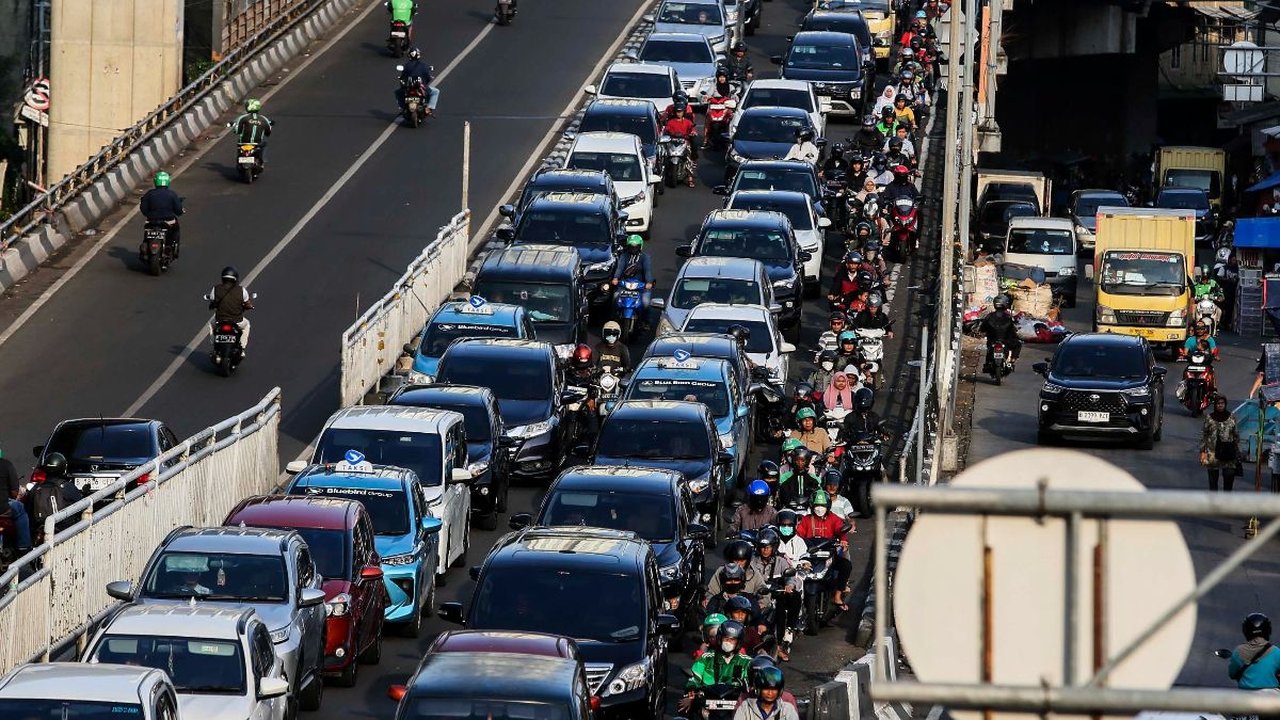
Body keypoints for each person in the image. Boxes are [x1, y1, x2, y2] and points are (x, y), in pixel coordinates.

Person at [796, 490, 853, 620]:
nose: (819, 509)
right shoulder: (805, 520)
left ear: (828, 506)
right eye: (817, 506)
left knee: (846, 566)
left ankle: (837, 595)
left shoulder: (833, 518)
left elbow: (841, 530)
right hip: (810, 554)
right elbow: (799, 534)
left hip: (829, 553)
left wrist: (843, 540)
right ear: (812, 506)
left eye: (822, 506)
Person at [751, 528, 800, 659]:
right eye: (762, 547)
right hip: (758, 595)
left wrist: (789, 585)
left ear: (774, 547)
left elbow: (790, 576)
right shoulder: (752, 562)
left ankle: (787, 631)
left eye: (768, 547)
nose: (765, 550)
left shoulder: (781, 561)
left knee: (791, 599)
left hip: (777, 594)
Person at [682, 620, 751, 710]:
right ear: (719, 639)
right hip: (708, 704)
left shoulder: (747, 662)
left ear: (738, 642)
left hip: (737, 707)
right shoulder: (706, 658)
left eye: (732, 640)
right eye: (726, 639)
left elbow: (753, 685)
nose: (728, 642)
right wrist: (692, 688)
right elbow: (695, 678)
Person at [1228, 613, 1280, 690]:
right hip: (1270, 697)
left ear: (1246, 630)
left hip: (1246, 695)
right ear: (1268, 630)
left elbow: (1232, 674)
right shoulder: (1276, 652)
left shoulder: (1238, 651)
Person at [1200, 394, 1240, 492]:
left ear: (1225, 404)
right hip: (1212, 452)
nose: (1220, 405)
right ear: (1215, 405)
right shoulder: (1209, 418)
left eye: (1222, 403)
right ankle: (1214, 502)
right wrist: (1202, 452)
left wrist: (1237, 451)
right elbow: (1204, 435)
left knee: (1229, 478)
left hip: (1228, 452)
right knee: (1213, 481)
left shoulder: (1231, 418)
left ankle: (1226, 501)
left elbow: (1236, 435)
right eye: (1218, 403)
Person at [209, 266, 254, 352]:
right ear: (235, 279)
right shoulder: (242, 290)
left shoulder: (216, 289)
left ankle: (213, 342)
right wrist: (251, 306)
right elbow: (247, 303)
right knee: (247, 325)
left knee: (211, 323)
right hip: (237, 320)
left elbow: (212, 300)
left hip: (220, 319)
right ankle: (242, 347)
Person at [139, 171, 184, 257]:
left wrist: (150, 214)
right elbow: (178, 210)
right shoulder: (172, 194)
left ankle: (146, 244)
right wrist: (181, 211)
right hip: (168, 221)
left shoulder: (149, 194)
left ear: (155, 182)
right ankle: (174, 249)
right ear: (168, 181)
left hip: (152, 221)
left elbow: (143, 209)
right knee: (176, 230)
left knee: (147, 231)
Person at [611, 235, 655, 320]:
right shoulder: (624, 256)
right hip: (625, 284)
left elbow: (648, 271)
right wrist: (615, 278)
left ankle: (646, 321)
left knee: (645, 302)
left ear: (640, 247)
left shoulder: (645, 257)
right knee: (615, 297)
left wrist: (649, 283)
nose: (633, 249)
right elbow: (620, 268)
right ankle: (614, 318)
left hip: (641, 285)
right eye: (631, 247)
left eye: (636, 247)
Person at [733, 664, 799, 720]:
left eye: (774, 690)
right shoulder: (746, 707)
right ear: (759, 689)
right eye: (766, 689)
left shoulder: (787, 709)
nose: (770, 693)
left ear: (779, 691)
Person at [0, 445, 32, 553]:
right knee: (21, 509)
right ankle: (24, 546)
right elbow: (14, 492)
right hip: (3, 508)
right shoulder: (6, 465)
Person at [566, 344, 601, 439]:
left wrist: (595, 387)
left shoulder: (594, 370)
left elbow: (599, 380)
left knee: (592, 407)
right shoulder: (568, 367)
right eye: (580, 367)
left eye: (584, 367)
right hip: (570, 394)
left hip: (586, 395)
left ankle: (594, 438)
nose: (582, 369)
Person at [396, 48, 440, 117]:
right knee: (436, 92)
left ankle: (402, 108)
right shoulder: (423, 66)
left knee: (397, 92)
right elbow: (428, 78)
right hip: (420, 89)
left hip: (409, 89)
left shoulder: (407, 65)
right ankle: (429, 108)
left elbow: (403, 77)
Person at [230, 98, 273, 163]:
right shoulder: (264, 119)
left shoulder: (243, 117)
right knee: (265, 144)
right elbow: (268, 133)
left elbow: (237, 131)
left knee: (239, 146)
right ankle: (263, 159)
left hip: (243, 142)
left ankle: (239, 158)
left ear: (247, 107)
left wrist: (236, 131)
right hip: (257, 142)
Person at [822, 469, 857, 534]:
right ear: (825, 484)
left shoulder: (844, 501)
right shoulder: (820, 499)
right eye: (829, 484)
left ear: (839, 486)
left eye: (835, 485)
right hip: (822, 531)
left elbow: (849, 517)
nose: (832, 487)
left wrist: (851, 524)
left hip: (839, 533)